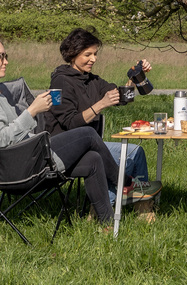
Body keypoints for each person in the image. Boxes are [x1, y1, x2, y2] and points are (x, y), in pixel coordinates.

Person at [0, 35, 119, 226]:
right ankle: (125, 184)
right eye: (1, 56)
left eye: (5, 56)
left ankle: (107, 224)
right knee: (88, 135)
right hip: (16, 168)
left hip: (21, 158)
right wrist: (32, 111)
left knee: (93, 159)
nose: (6, 61)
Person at [42, 27, 161, 223]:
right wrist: (101, 104)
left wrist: (135, 76)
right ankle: (101, 207)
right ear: (72, 54)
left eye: (95, 54)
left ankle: (142, 205)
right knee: (107, 162)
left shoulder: (91, 80)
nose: (93, 59)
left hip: (91, 144)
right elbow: (70, 123)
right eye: (87, 54)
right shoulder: (59, 83)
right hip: (64, 149)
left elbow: (122, 97)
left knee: (136, 152)